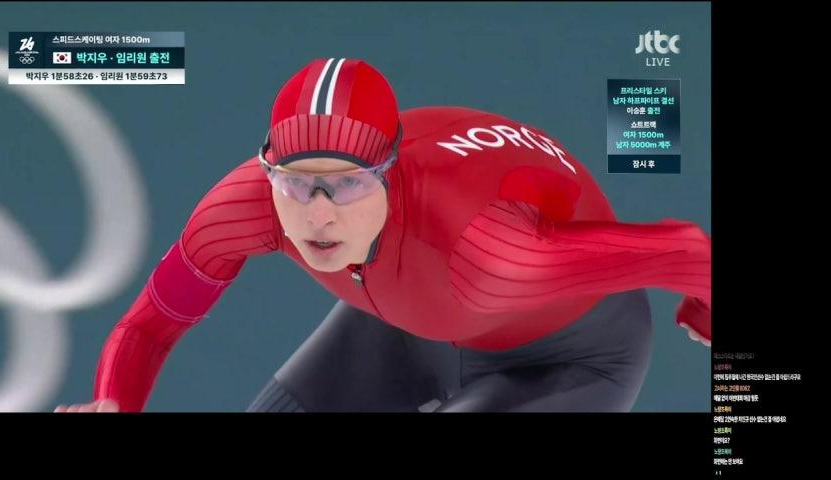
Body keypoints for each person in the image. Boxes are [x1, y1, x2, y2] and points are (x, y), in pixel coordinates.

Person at [55, 58, 711, 413]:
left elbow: (684, 250)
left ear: (390, 180)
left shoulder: (488, 254)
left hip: (565, 360)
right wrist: (114, 401)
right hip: (401, 324)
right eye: (295, 184)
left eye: (345, 185)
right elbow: (149, 327)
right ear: (267, 172)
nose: (317, 217)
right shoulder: (246, 206)